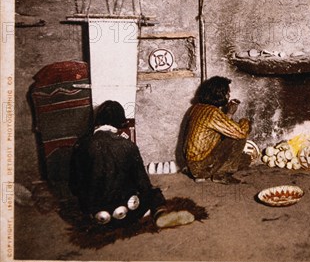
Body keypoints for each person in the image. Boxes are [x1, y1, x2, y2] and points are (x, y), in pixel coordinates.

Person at [69, 100, 194, 228]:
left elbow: (74, 186)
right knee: (153, 193)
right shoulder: (128, 146)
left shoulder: (81, 145)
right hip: (128, 212)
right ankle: (159, 213)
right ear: (120, 122)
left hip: (94, 214)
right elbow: (143, 184)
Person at [183, 76, 252, 184]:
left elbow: (219, 129)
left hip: (191, 164)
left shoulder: (197, 108)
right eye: (227, 93)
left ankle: (199, 174)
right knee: (240, 135)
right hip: (200, 166)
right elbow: (240, 133)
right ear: (220, 94)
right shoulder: (212, 113)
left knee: (245, 159)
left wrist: (229, 113)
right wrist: (246, 121)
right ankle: (220, 175)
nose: (229, 96)